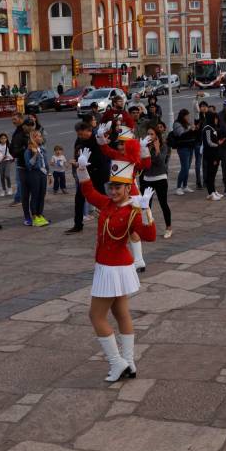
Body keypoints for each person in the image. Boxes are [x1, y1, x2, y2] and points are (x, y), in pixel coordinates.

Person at [73, 150, 156, 382]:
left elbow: (150, 237)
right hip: (109, 266)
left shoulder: (133, 210)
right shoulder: (108, 203)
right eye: (112, 186)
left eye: (119, 187)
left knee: (96, 316)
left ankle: (117, 362)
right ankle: (129, 362)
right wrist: (82, 169)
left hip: (113, 268)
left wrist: (146, 210)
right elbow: (88, 192)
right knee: (120, 312)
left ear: (128, 187)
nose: (113, 191)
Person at [66, 122, 110, 236]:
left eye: (81, 134)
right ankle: (78, 225)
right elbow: (77, 153)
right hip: (85, 175)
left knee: (103, 199)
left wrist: (85, 163)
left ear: (88, 130)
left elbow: (101, 159)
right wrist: (77, 162)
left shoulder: (97, 140)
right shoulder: (79, 140)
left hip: (97, 174)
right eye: (78, 134)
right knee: (79, 199)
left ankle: (109, 222)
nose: (80, 136)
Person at [139, 125, 172, 239]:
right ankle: (147, 228)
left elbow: (161, 162)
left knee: (163, 203)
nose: (149, 136)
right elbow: (143, 162)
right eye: (148, 133)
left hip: (160, 178)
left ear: (157, 136)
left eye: (152, 134)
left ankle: (168, 227)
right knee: (146, 205)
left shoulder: (163, 146)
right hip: (147, 178)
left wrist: (157, 149)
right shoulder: (144, 146)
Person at [24, 130, 49, 227]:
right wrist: (35, 154)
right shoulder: (29, 150)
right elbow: (29, 165)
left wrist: (49, 173)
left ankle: (40, 214)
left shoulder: (42, 148)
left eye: (40, 136)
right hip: (34, 173)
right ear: (33, 138)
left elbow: (45, 162)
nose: (41, 138)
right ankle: (34, 216)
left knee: (42, 195)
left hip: (43, 173)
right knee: (35, 195)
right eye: (38, 136)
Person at [170, 109, 198, 195]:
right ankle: (178, 187)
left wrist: (194, 129)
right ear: (183, 116)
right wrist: (190, 130)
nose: (188, 118)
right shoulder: (177, 124)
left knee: (187, 167)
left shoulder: (187, 124)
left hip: (190, 147)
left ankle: (185, 186)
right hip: (183, 148)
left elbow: (191, 134)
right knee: (184, 168)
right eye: (187, 116)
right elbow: (181, 135)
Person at [201, 111, 223, 200]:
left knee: (213, 173)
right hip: (210, 154)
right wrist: (218, 144)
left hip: (215, 154)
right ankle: (210, 192)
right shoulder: (207, 129)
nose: (217, 120)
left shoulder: (213, 128)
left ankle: (213, 191)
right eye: (215, 118)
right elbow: (209, 142)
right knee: (210, 174)